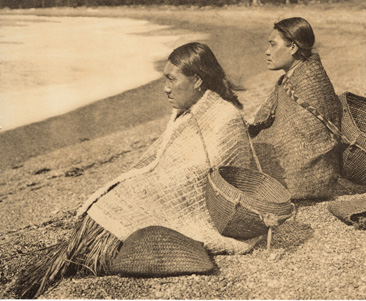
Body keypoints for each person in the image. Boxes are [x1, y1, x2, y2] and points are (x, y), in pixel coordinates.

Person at [15, 42, 260, 299]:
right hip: (173, 187)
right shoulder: (189, 112)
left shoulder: (225, 116)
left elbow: (223, 175)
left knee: (137, 197)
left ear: (197, 80)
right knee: (124, 192)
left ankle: (97, 253)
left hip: (203, 204)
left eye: (171, 79)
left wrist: (164, 183)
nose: (166, 88)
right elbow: (169, 158)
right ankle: (82, 251)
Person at [249, 17, 342, 200]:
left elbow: (306, 140)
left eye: (273, 45)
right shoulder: (298, 75)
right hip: (310, 169)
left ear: (293, 47)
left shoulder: (310, 83)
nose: (267, 52)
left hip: (308, 174)